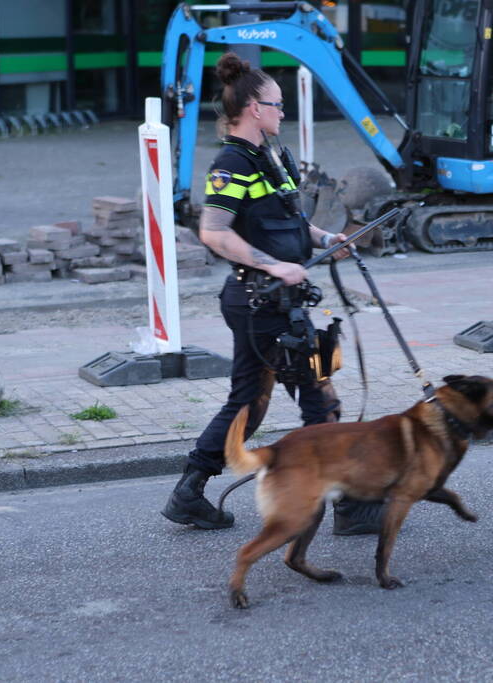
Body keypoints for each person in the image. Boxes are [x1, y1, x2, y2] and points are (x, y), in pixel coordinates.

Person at [160, 52, 380, 534]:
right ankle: (350, 506)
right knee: (319, 399)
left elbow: (290, 221)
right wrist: (274, 265)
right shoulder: (232, 163)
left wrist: (325, 239)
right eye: (277, 105)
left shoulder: (270, 158)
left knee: (249, 402)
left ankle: (189, 492)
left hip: (269, 301)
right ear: (254, 109)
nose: (283, 112)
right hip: (261, 300)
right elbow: (214, 231)